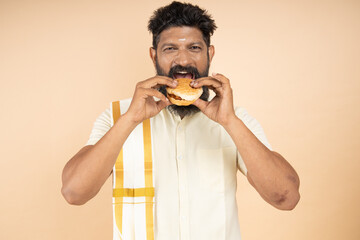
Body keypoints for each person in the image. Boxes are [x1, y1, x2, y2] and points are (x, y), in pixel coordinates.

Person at [61, 1, 300, 239]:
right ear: (153, 55)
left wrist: (230, 122)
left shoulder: (235, 119)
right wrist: (130, 120)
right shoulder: (119, 115)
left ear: (210, 53)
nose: (183, 61)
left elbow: (286, 197)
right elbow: (74, 193)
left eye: (194, 47)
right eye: (170, 49)